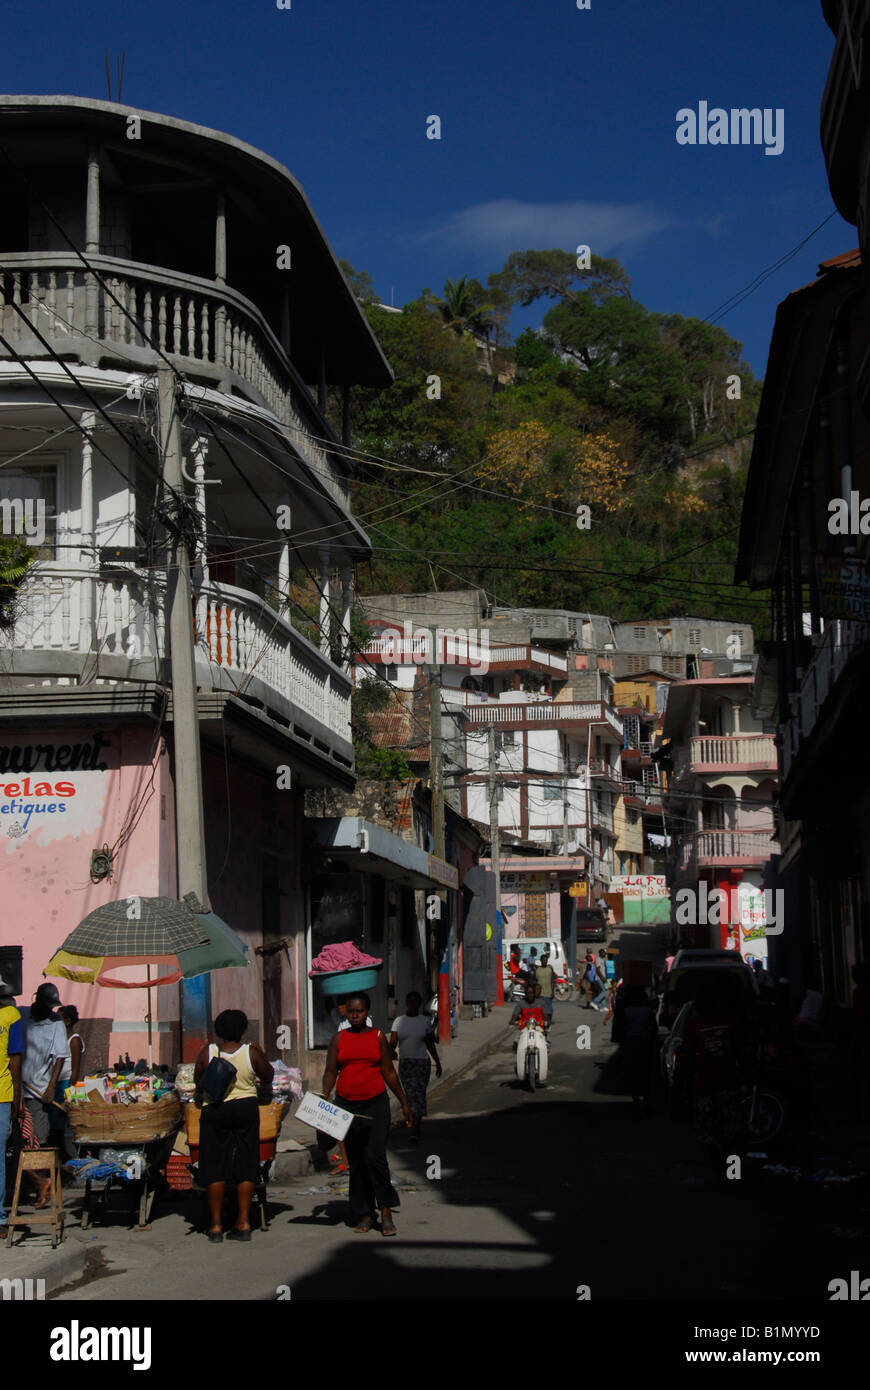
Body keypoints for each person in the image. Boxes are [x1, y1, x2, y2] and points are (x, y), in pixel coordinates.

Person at [321, 992, 412, 1236]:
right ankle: (363, 1212)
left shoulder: (378, 1037)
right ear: (345, 1013)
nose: (354, 1015)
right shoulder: (338, 1039)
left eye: (359, 1011)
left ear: (367, 1012)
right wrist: (324, 1093)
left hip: (375, 1105)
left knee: (375, 1158)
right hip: (346, 1107)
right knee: (357, 1162)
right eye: (350, 1011)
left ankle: (385, 1209)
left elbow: (389, 1072)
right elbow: (330, 1070)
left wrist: (404, 1101)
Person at [193, 1009, 273, 1243]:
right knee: (247, 1163)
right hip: (246, 1108)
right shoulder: (251, 1052)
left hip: (215, 1109)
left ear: (218, 1030)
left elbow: (199, 1079)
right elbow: (268, 1075)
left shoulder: (209, 1052)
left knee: (215, 1164)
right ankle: (244, 1221)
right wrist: (262, 1055)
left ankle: (216, 1225)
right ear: (242, 1029)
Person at [21, 982, 70, 1207]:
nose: (50, 1010)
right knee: (18, 1142)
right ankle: (37, 1183)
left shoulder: (56, 1023)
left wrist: (51, 1087)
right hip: (17, 1089)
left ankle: (42, 1184)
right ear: (36, 1000)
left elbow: (60, 1056)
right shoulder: (23, 1016)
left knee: (38, 1141)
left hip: (38, 1092)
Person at [682, 986, 747, 1149]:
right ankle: (731, 1168)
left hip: (710, 1080)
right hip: (722, 1080)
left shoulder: (697, 1025)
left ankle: (726, 1166)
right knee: (726, 1128)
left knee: (712, 1126)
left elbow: (687, 1055)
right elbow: (740, 1050)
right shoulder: (728, 1023)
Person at [388, 992, 442, 1140]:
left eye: (415, 1002)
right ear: (406, 1003)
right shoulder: (399, 1021)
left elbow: (430, 1044)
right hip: (405, 1064)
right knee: (410, 1095)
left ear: (419, 1004)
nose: (412, 1004)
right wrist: (388, 1054)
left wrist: (437, 1062)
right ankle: (413, 1121)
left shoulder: (424, 1022)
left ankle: (415, 1128)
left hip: (421, 1063)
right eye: (410, 1001)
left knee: (418, 1095)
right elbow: (392, 1042)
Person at [0, 974, 23, 1236]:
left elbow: (15, 1060)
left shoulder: (11, 1016)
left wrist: (17, 1099)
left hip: (2, 1094)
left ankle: (0, 1217)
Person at [49, 1005, 84, 1159]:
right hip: (55, 1083)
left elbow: (75, 1070)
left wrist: (68, 1092)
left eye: (59, 1019)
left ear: (67, 1021)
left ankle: (65, 1158)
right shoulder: (57, 1038)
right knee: (53, 1124)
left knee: (60, 1126)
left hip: (65, 1085)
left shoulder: (74, 1040)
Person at [612, 985, 657, 1103]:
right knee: (645, 1072)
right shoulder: (648, 1011)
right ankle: (646, 1097)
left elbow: (619, 1030)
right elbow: (654, 1029)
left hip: (630, 1044)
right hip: (645, 1044)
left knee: (633, 1072)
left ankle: (636, 1097)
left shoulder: (625, 1012)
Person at [534, 954, 556, 1021]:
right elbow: (535, 982)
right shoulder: (537, 970)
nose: (545, 961)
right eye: (543, 960)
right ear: (540, 960)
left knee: (549, 1009)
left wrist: (552, 992)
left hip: (548, 993)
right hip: (539, 994)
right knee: (539, 1008)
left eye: (546, 960)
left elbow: (552, 982)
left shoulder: (550, 969)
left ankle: (549, 1020)